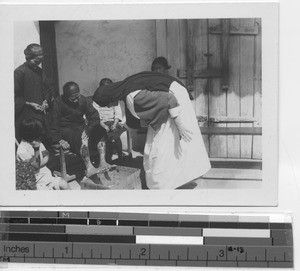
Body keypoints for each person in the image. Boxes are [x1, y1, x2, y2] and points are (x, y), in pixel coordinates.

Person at [93, 71, 211, 189]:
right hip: (169, 104)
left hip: (175, 102)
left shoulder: (134, 96)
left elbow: (169, 99)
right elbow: (132, 121)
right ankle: (172, 182)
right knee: (164, 147)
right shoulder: (126, 89)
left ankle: (162, 185)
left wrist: (179, 124)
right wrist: (119, 132)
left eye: (107, 104)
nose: (109, 107)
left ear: (111, 97)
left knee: (162, 148)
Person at [48, 81, 111, 177]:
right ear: (65, 96)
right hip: (66, 129)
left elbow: (94, 116)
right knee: (81, 138)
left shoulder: (82, 99)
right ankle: (89, 167)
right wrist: (59, 139)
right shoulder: (58, 102)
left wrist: (89, 128)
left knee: (100, 130)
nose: (76, 100)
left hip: (80, 125)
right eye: (72, 99)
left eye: (77, 97)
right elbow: (53, 123)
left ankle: (103, 162)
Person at [16, 118, 70, 190]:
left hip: (46, 176)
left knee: (64, 185)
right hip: (35, 181)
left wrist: (39, 164)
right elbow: (35, 166)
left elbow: (46, 154)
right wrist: (36, 149)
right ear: (31, 133)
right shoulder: (22, 150)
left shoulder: (37, 141)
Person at [14, 43, 53, 142]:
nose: (38, 64)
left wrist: (46, 101)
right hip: (25, 115)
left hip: (39, 113)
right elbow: (14, 96)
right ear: (28, 58)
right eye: (36, 61)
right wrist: (29, 104)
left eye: (40, 61)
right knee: (28, 142)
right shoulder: (19, 72)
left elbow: (47, 89)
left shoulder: (39, 71)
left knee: (41, 142)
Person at [92, 78, 126, 162]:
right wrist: (103, 125)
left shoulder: (114, 99)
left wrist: (114, 124)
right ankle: (106, 158)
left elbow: (118, 114)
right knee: (103, 137)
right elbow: (95, 116)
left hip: (113, 122)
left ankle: (120, 156)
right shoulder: (96, 100)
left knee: (115, 137)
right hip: (101, 123)